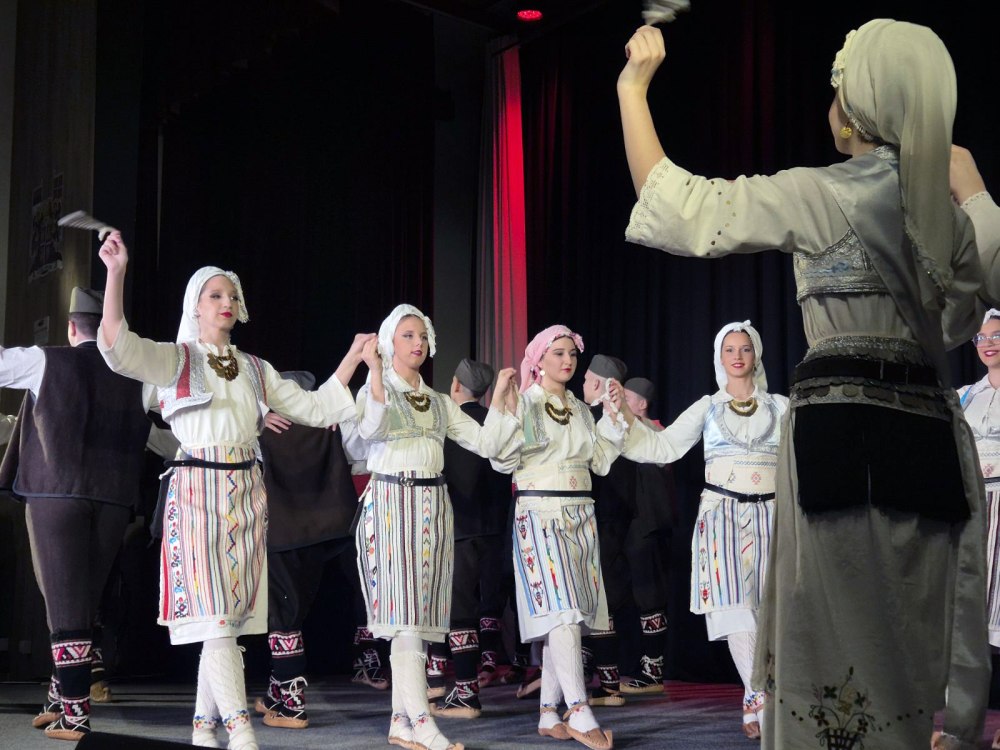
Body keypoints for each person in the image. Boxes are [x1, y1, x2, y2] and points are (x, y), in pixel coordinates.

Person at [618, 18, 996, 750]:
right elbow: (962, 318)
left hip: (842, 434)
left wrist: (633, 90)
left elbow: (685, 209)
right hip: (927, 431)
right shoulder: (947, 214)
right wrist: (975, 192)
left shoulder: (824, 193)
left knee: (840, 633)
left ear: (854, 106)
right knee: (908, 624)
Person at [96, 231, 370, 750]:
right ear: (196, 307)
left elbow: (316, 407)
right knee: (218, 621)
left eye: (232, 295)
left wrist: (354, 357)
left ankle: (204, 732)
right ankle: (242, 735)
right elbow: (118, 347)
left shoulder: (255, 370)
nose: (226, 302)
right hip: (197, 493)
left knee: (225, 623)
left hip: (246, 497)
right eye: (215, 294)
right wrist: (116, 273)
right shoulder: (177, 359)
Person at [354, 304, 518, 750]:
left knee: (422, 621)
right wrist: (374, 372)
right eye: (408, 335)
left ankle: (399, 722)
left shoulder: (441, 402)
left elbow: (486, 443)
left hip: (433, 507)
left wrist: (502, 398)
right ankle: (422, 721)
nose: (419, 343)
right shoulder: (376, 389)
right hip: (392, 502)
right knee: (404, 619)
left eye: (423, 335)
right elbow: (368, 432)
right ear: (389, 341)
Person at [0, 286, 155, 741]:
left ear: (71, 328)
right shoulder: (140, 376)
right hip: (113, 498)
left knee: (64, 599)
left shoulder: (46, 360)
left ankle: (75, 710)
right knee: (83, 597)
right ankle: (58, 693)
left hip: (56, 492)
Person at [618, 322, 786, 738]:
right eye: (730, 349)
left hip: (772, 516)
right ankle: (760, 697)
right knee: (734, 608)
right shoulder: (708, 407)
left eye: (745, 348)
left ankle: (754, 698)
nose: (737, 356)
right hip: (721, 516)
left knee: (769, 615)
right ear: (719, 357)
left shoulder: (781, 407)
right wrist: (623, 418)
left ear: (756, 355)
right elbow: (664, 447)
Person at [491, 325, 627, 750]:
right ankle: (579, 710)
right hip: (540, 513)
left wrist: (612, 417)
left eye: (572, 353)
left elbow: (600, 462)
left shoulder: (581, 409)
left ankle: (549, 712)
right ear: (539, 359)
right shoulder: (525, 402)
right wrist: (505, 409)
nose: (568, 360)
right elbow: (500, 460)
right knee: (562, 611)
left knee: (567, 616)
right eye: (558, 353)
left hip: (581, 515)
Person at [253, 370, 366, 730]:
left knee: (283, 616)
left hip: (283, 532)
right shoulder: (330, 422)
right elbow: (359, 456)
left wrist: (259, 418)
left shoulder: (262, 428)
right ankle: (277, 692)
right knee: (297, 610)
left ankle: (292, 703)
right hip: (326, 533)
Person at [429, 358, 513, 719]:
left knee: (458, 607)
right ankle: (489, 661)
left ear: (455, 385)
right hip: (496, 527)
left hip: (458, 527)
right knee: (489, 599)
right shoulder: (497, 424)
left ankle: (462, 689)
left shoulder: (447, 425)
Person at [956, 310, 1000, 748]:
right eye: (981, 339)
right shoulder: (966, 395)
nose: (988, 344)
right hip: (974, 508)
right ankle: (961, 725)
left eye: (997, 336)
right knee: (968, 620)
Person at [617, 376, 676, 695]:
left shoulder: (654, 433)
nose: (621, 403)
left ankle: (653, 670)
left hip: (647, 526)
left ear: (642, 404)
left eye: (627, 398)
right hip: (628, 525)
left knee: (649, 595)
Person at [580, 354, 630, 708]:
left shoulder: (597, 420)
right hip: (619, 522)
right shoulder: (626, 418)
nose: (582, 385)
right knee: (602, 601)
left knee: (599, 602)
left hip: (599, 520)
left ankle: (609, 684)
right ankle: (604, 679)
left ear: (597, 384)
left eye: (586, 379)